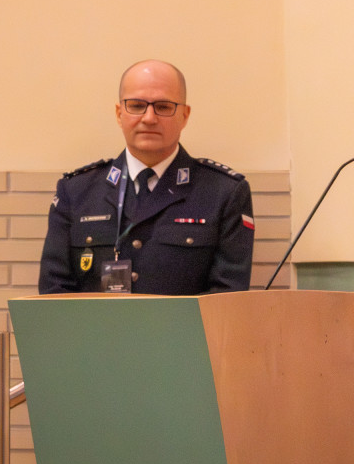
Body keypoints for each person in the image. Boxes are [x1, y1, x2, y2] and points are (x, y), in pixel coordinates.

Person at [38, 60, 255, 295]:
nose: (149, 118)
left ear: (184, 115)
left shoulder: (224, 193)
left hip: (187, 323)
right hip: (93, 322)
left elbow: (226, 297)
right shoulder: (76, 191)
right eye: (136, 105)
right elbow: (54, 292)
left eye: (163, 107)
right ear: (119, 114)